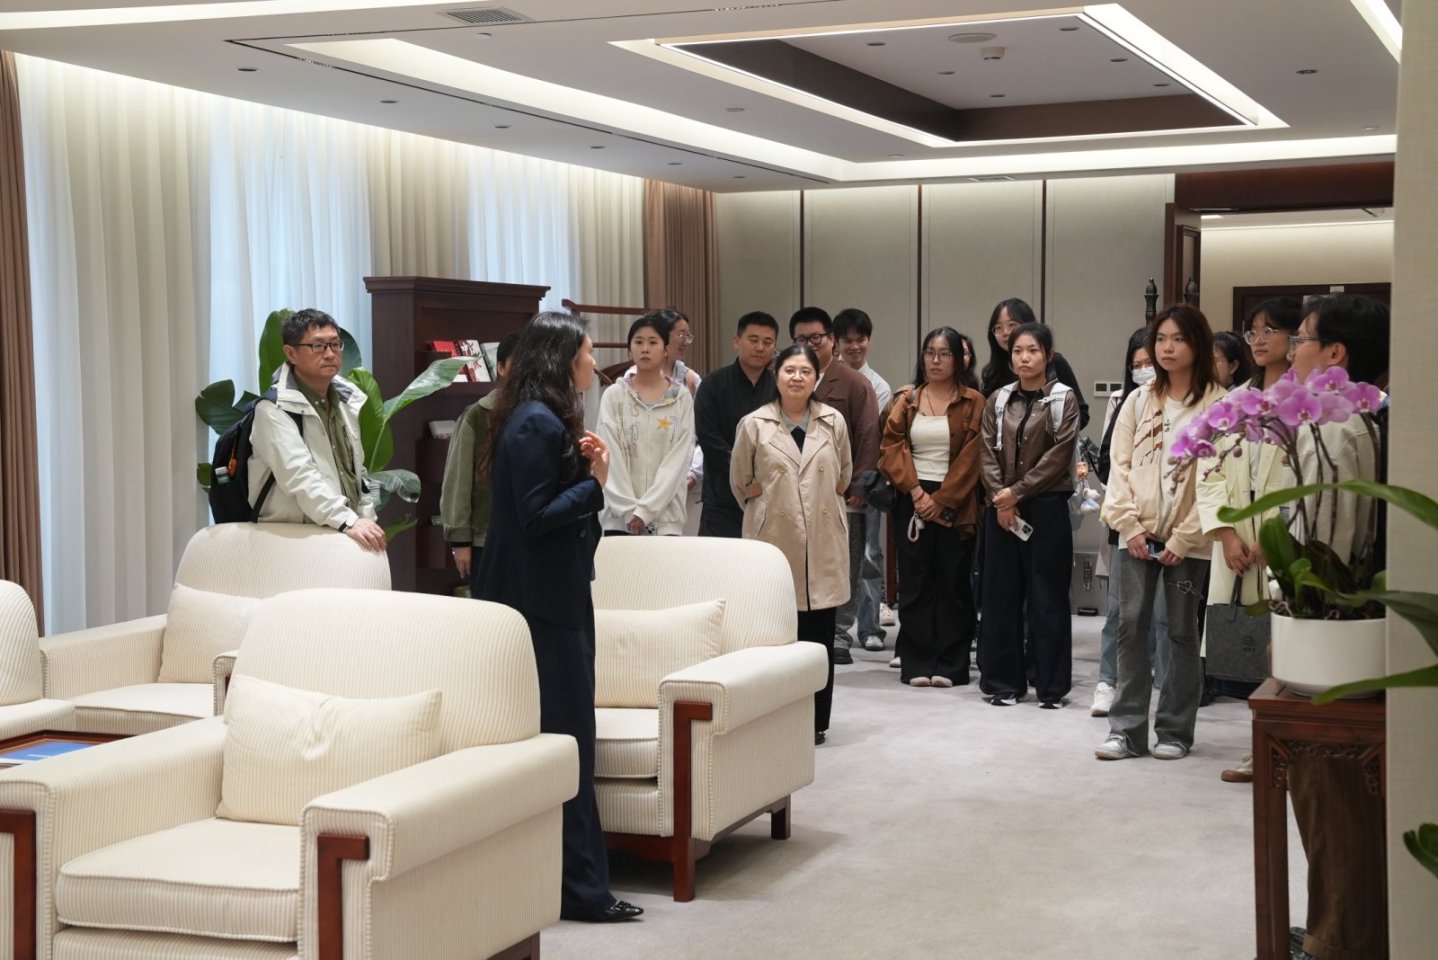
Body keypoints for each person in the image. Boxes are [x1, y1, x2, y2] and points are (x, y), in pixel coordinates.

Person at [474, 312, 642, 924]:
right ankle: (582, 891)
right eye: (588, 353)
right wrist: (596, 482)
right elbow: (537, 516)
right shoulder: (534, 421)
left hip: (551, 595)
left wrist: (583, 470)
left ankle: (576, 884)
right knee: (568, 740)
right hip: (541, 604)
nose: (594, 364)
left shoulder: (539, 418)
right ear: (562, 360)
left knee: (568, 738)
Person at [1282, 293, 1390, 960]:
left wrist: (1294, 593)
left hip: (1329, 639)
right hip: (1354, 633)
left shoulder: (1332, 426)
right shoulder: (1367, 416)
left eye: (1301, 338)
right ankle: (1336, 927)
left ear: (1334, 354)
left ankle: (1336, 941)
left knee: (1330, 797)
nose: (1292, 350)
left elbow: (1323, 548)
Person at [1094, 304, 1225, 762]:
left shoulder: (1218, 404)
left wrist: (1184, 538)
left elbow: (1217, 477)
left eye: (1178, 339)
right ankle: (1126, 732)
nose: (1167, 348)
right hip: (1135, 534)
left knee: (1182, 632)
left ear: (1198, 344)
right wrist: (1128, 525)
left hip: (1190, 541)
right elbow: (1119, 466)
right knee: (1130, 625)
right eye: (1161, 339)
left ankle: (1174, 730)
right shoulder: (1138, 399)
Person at [1197, 297, 1302, 781]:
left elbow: (1310, 479)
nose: (1258, 340)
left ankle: (1291, 750)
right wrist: (1225, 533)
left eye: (1269, 331)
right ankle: (1261, 749)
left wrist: (1276, 536)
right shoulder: (1232, 401)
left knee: (1291, 649)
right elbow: (1208, 471)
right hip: (1237, 541)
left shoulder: (1309, 399)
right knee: (1251, 650)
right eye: (1252, 331)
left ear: (1295, 337)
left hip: (1287, 541)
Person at [732, 344, 852, 744]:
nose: (797, 377)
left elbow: (844, 474)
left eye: (805, 371)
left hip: (822, 536)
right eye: (789, 370)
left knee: (819, 638)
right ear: (776, 375)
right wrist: (768, 508)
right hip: (774, 538)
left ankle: (816, 721)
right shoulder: (754, 424)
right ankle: (779, 719)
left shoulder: (833, 421)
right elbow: (740, 482)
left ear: (816, 378)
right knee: (778, 635)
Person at [978, 322, 1080, 707]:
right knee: (1000, 597)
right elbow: (986, 451)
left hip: (1046, 507)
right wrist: (1000, 499)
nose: (1024, 358)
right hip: (1002, 509)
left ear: (1048, 355)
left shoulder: (1063, 399)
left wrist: (1015, 493)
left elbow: (1059, 456)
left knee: (1047, 597)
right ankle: (1003, 683)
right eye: (1018, 351)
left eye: (1033, 350)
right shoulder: (999, 399)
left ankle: (1051, 687)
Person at [877, 327, 984, 688]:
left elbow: (974, 455)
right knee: (915, 582)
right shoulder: (907, 399)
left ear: (959, 360)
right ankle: (916, 662)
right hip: (912, 498)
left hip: (955, 500)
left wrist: (942, 500)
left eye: (944, 353)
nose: (935, 360)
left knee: (953, 581)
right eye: (929, 353)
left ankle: (951, 664)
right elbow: (890, 447)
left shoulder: (973, 401)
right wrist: (916, 492)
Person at [249, 308, 385, 552]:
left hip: (341, 531)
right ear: (291, 353)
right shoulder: (273, 409)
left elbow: (357, 472)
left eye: (335, 344)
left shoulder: (347, 401)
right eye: (318, 346)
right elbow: (299, 476)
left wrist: (366, 518)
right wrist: (348, 521)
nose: (330, 354)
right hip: (294, 539)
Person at [790, 306, 879, 666]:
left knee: (844, 563)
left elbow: (869, 434)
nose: (810, 344)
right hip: (794, 493)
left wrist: (860, 484)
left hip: (841, 493)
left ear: (830, 340)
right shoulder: (789, 376)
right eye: (801, 338)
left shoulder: (854, 382)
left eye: (817, 337)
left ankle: (840, 632)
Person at [1091, 328, 1171, 716]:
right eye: (1135, 364)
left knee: (1164, 616)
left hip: (1170, 521)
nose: (1142, 370)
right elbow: (1110, 463)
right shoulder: (1123, 401)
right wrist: (1129, 517)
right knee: (1120, 611)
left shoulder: (1187, 401)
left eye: (1148, 363)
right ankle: (1109, 680)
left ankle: (1163, 685)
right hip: (1126, 519)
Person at [597, 312, 695, 536]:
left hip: (666, 520)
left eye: (653, 342)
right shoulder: (614, 395)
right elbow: (609, 455)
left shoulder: (681, 398)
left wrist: (645, 511)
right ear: (629, 349)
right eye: (638, 342)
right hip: (619, 520)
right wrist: (630, 512)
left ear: (666, 350)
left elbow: (679, 460)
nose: (645, 349)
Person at [440, 331, 520, 592]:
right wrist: (460, 541)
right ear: (501, 367)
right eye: (517, 362)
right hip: (485, 538)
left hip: (529, 538)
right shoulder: (477, 415)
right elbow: (458, 480)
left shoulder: (545, 413)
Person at [834, 307, 893, 654]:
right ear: (836, 342)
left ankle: (870, 626)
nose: (855, 346)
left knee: (870, 554)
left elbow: (871, 438)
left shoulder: (879, 386)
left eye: (861, 340)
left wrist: (859, 483)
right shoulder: (825, 380)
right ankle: (837, 627)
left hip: (866, 483)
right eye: (848, 340)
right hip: (830, 485)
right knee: (836, 558)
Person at [694, 312, 779, 537]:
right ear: (736, 341)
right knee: (719, 557)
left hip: (769, 496)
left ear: (774, 347)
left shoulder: (779, 388)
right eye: (753, 340)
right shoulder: (712, 384)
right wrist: (743, 471)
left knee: (764, 557)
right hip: (721, 499)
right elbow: (707, 436)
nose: (760, 347)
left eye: (767, 342)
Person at [978, 297, 1090, 428]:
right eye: (998, 327)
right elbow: (988, 422)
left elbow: (1081, 414)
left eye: (1012, 325)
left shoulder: (1054, 362)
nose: (1005, 332)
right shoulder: (993, 372)